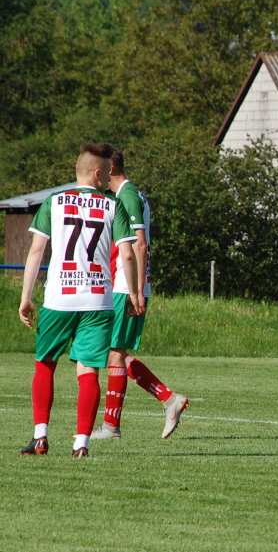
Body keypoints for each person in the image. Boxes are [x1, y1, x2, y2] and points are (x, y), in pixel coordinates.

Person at [18, 143, 143, 458]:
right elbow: (127, 253)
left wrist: (26, 296)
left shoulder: (54, 202)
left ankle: (41, 437)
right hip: (98, 300)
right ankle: (81, 443)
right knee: (88, 370)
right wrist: (133, 291)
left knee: (45, 364)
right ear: (98, 172)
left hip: (59, 297)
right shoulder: (113, 205)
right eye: (106, 173)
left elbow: (36, 251)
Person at [91, 150, 189, 441]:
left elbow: (141, 245)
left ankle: (112, 426)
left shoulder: (128, 195)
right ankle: (169, 399)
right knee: (116, 352)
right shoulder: (128, 194)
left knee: (115, 353)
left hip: (125, 284)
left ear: (109, 170)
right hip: (123, 283)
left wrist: (136, 291)